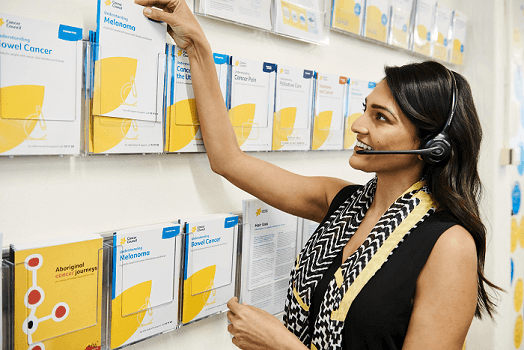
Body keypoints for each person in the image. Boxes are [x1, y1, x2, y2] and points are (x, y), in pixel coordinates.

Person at [135, 1, 500, 349]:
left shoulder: (449, 245)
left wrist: (281, 346)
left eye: (381, 117)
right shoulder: (342, 203)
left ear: (432, 147)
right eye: (365, 109)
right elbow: (228, 159)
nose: (358, 125)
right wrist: (196, 42)